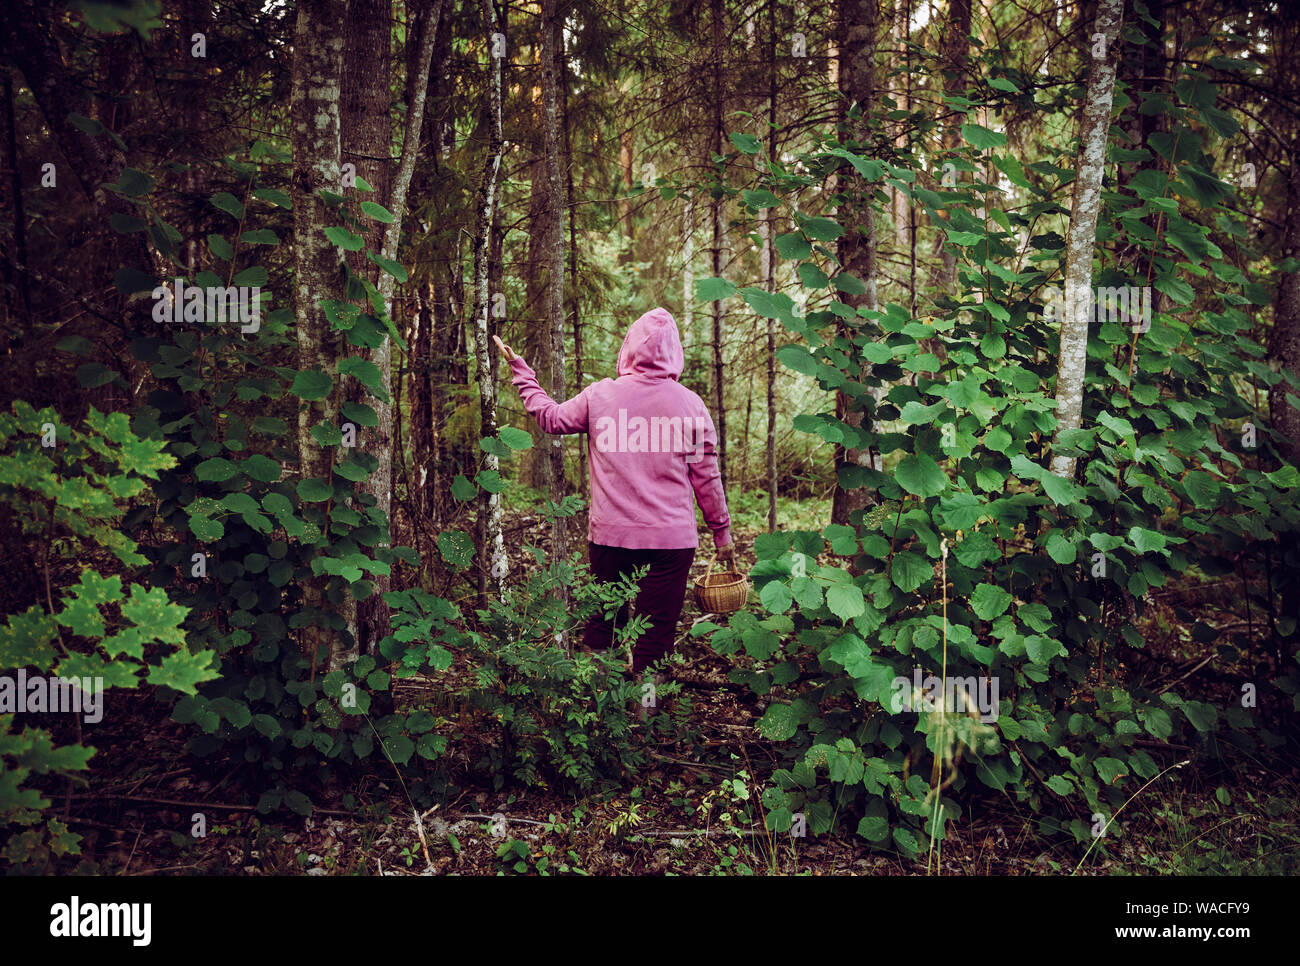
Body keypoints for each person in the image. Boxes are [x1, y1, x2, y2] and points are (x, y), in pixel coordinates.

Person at [494, 307, 733, 676]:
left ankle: (598, 710)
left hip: (611, 538)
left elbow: (552, 418)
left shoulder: (600, 396)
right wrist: (722, 534)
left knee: (604, 625)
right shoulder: (692, 406)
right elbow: (707, 476)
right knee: (656, 634)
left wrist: (523, 373)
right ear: (675, 352)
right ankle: (645, 715)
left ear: (630, 347)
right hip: (671, 543)